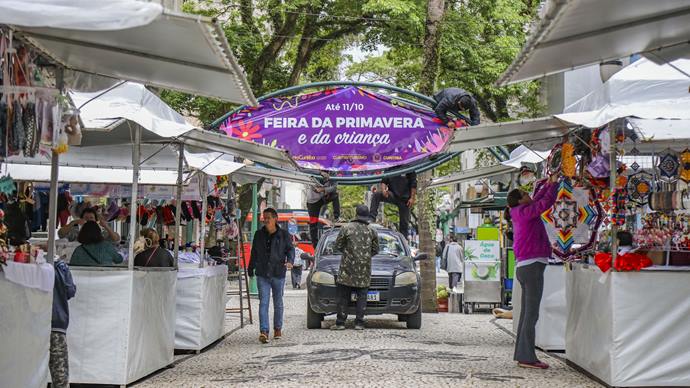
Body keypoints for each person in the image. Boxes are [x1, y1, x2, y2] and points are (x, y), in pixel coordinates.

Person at [507, 174, 558, 369]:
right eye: (526, 193)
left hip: (526, 266)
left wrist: (548, 183)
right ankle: (527, 357)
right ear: (520, 200)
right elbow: (544, 203)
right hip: (532, 266)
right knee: (531, 314)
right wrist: (552, 186)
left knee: (527, 314)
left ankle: (523, 354)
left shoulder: (520, 211)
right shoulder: (525, 212)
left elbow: (539, 200)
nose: (530, 195)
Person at [247, 208, 294, 343]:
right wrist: (251, 269)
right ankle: (264, 331)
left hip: (278, 273)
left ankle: (277, 328)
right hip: (262, 273)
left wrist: (290, 261)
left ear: (275, 218)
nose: (266, 220)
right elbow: (254, 253)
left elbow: (290, 249)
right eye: (264, 217)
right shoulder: (258, 234)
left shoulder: (284, 235)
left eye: (268, 217)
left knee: (278, 303)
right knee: (264, 303)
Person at [331, 205, 379, 331]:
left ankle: (340, 323)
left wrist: (348, 254)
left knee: (343, 296)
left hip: (347, 269)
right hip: (364, 268)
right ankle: (359, 323)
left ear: (355, 213)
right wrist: (365, 256)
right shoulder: (372, 231)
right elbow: (376, 249)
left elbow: (338, 246)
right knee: (362, 297)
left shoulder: (346, 228)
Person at [50, 258, 76, 388]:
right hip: (56, 322)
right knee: (59, 371)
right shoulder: (61, 266)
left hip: (30, 325)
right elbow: (70, 291)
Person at [369, 172, 417, 239]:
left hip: (405, 199)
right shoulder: (391, 166)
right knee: (377, 195)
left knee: (404, 224)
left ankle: (403, 240)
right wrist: (383, 190)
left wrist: (412, 198)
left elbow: (413, 184)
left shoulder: (408, 166)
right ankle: (371, 218)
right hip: (393, 194)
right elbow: (384, 180)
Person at [307, 171, 341, 248]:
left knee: (335, 195)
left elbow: (334, 187)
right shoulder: (315, 172)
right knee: (313, 224)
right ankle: (315, 246)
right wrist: (319, 173)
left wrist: (323, 190)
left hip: (324, 197)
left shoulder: (333, 173)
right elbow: (314, 185)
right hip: (313, 201)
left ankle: (337, 217)